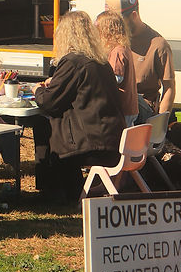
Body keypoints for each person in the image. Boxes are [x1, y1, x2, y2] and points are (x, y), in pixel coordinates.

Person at [32, 11, 126, 201]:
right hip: (109, 136)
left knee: (41, 124)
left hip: (90, 142)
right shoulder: (100, 61)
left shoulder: (72, 61)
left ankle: (53, 191)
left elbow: (50, 103)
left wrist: (36, 90)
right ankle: (61, 190)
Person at [104, 0, 175, 123]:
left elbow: (169, 87)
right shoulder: (109, 37)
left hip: (141, 106)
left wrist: (159, 125)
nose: (113, 25)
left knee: (127, 94)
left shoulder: (158, 45)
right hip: (116, 100)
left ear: (134, 15)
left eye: (118, 20)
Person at [96, 10, 139, 128]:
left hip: (122, 108)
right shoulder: (124, 48)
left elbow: (115, 78)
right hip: (129, 107)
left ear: (106, 31)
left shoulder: (117, 52)